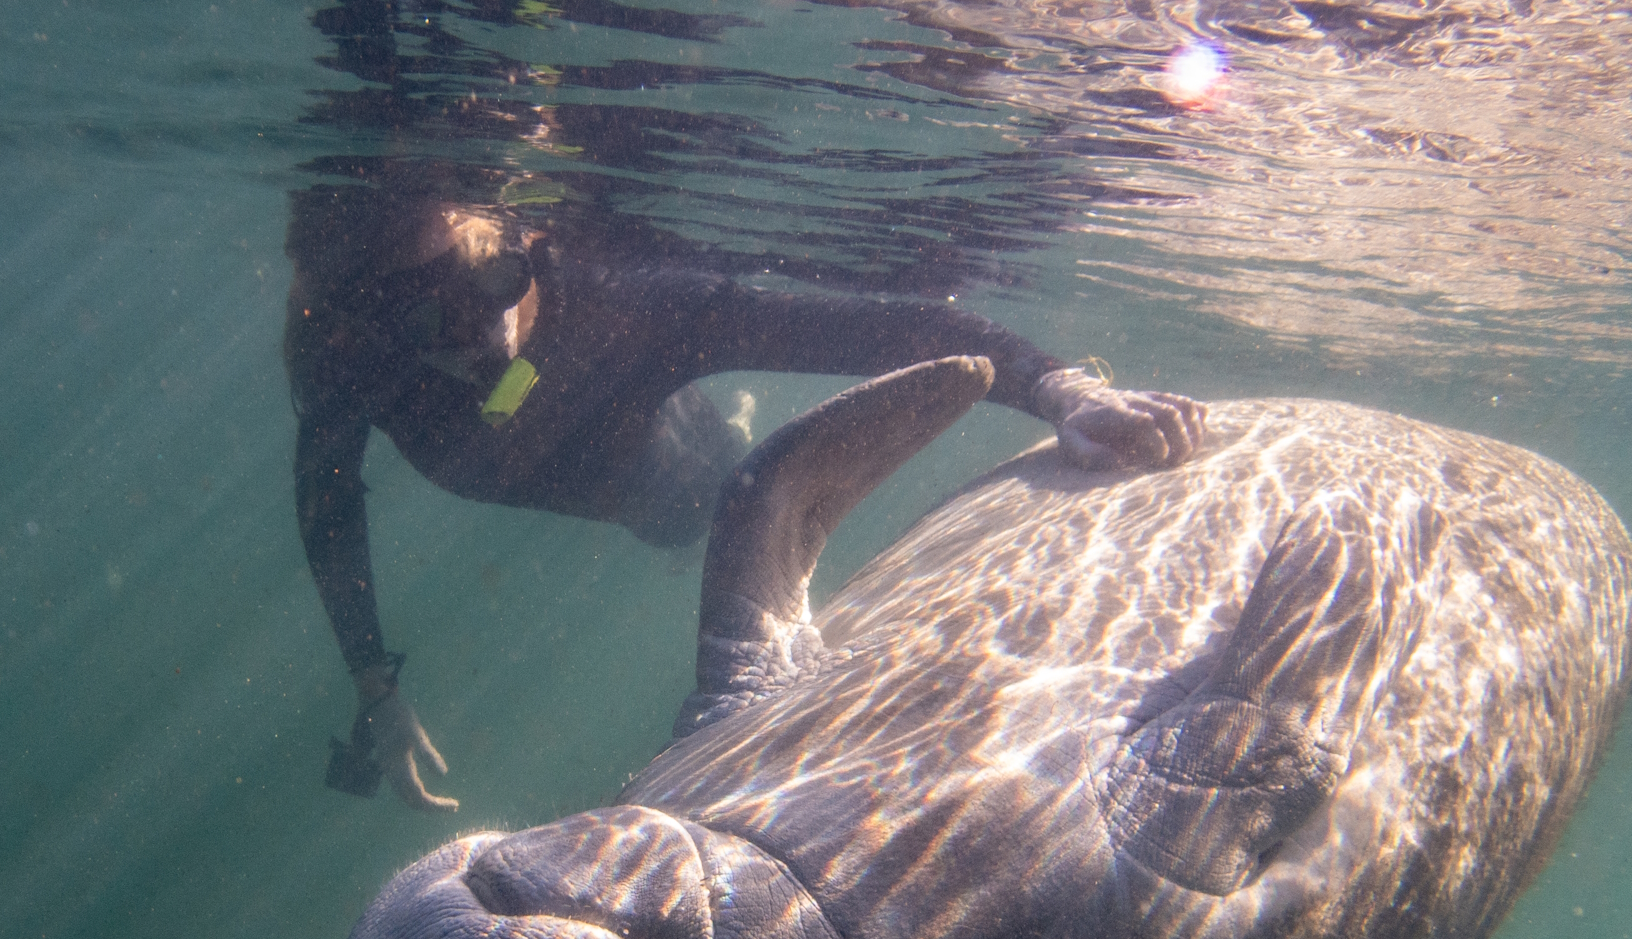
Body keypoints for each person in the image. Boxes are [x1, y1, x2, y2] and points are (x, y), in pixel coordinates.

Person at [286, 186, 1205, 811]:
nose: (477, 331)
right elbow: (327, 514)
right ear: (369, 318)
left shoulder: (624, 305)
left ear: (516, 249)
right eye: (424, 317)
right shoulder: (347, 363)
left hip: (685, 482)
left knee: (716, 489)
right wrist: (375, 685)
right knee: (678, 513)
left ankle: (743, 422)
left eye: (491, 283)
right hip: (621, 500)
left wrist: (1062, 392)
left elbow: (882, 327)